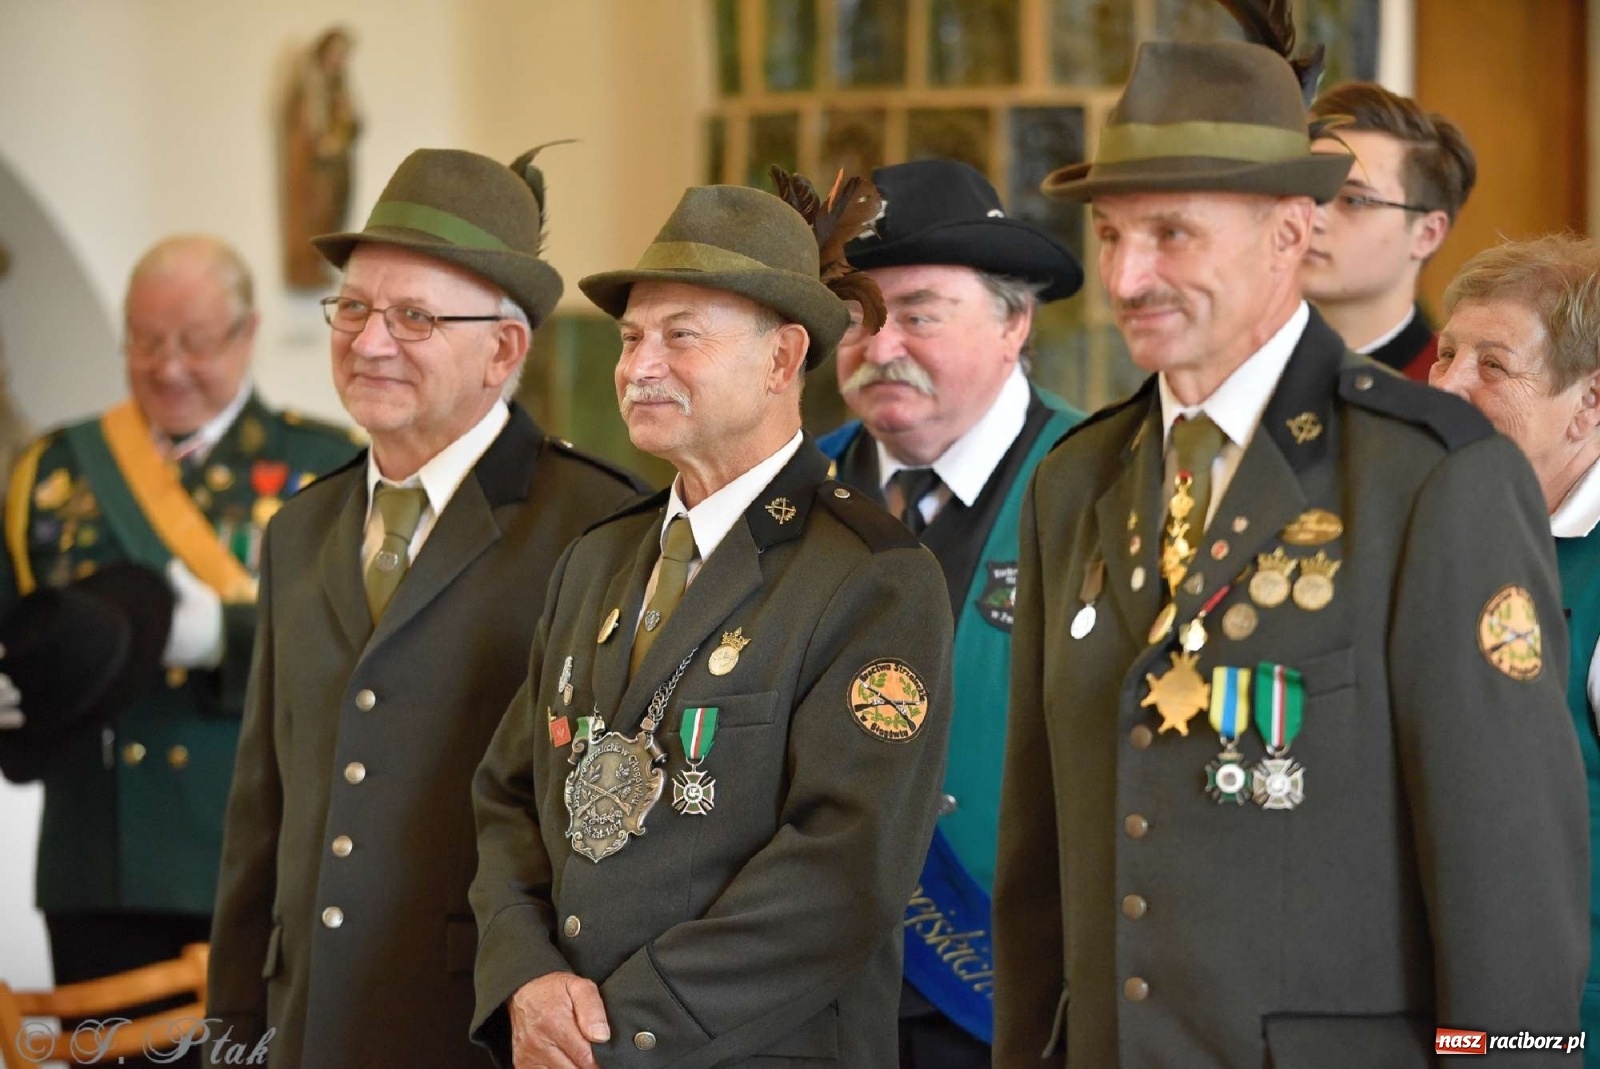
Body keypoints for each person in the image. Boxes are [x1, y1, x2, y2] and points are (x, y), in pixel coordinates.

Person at [993, 40, 1587, 1067]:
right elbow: (1038, 859)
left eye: (1172, 234)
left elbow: (1509, 885)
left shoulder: (1429, 475)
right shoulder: (1075, 479)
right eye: (1110, 235)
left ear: (1288, 233)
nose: (1128, 276)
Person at [469, 182, 954, 1068]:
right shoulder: (595, 561)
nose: (638, 365)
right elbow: (507, 798)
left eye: (681, 335)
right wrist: (527, 978)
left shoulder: (872, 577)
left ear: (783, 360)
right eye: (629, 339)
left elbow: (843, 871)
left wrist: (622, 1028)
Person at [205, 148, 647, 1069]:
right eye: (355, 308)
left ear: (506, 348)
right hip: (303, 1025)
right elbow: (261, 820)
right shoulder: (301, 526)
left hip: (474, 1029)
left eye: (414, 316)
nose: (369, 342)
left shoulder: (597, 527)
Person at [0, 236, 358, 1000]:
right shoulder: (54, 470)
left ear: (247, 333)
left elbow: (357, 651)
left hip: (248, 850)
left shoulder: (325, 468)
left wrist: (225, 637)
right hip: (98, 860)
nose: (167, 367)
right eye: (146, 341)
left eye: (194, 343)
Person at [814, 157, 1083, 1065]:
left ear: (1015, 323)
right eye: (855, 316)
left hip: (1022, 1004)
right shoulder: (789, 488)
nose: (881, 345)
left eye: (920, 314)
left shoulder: (1102, 485)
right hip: (810, 998)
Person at [1428, 233, 1600, 1064]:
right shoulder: (1431, 529)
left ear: (1591, 401)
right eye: (1447, 353)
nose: (1449, 384)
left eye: (1492, 365)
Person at [1301, 82, 1476, 381]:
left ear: (1427, 234)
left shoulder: (1455, 390)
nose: (1312, 216)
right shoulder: (1231, 366)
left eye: (1353, 200)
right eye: (1305, 189)